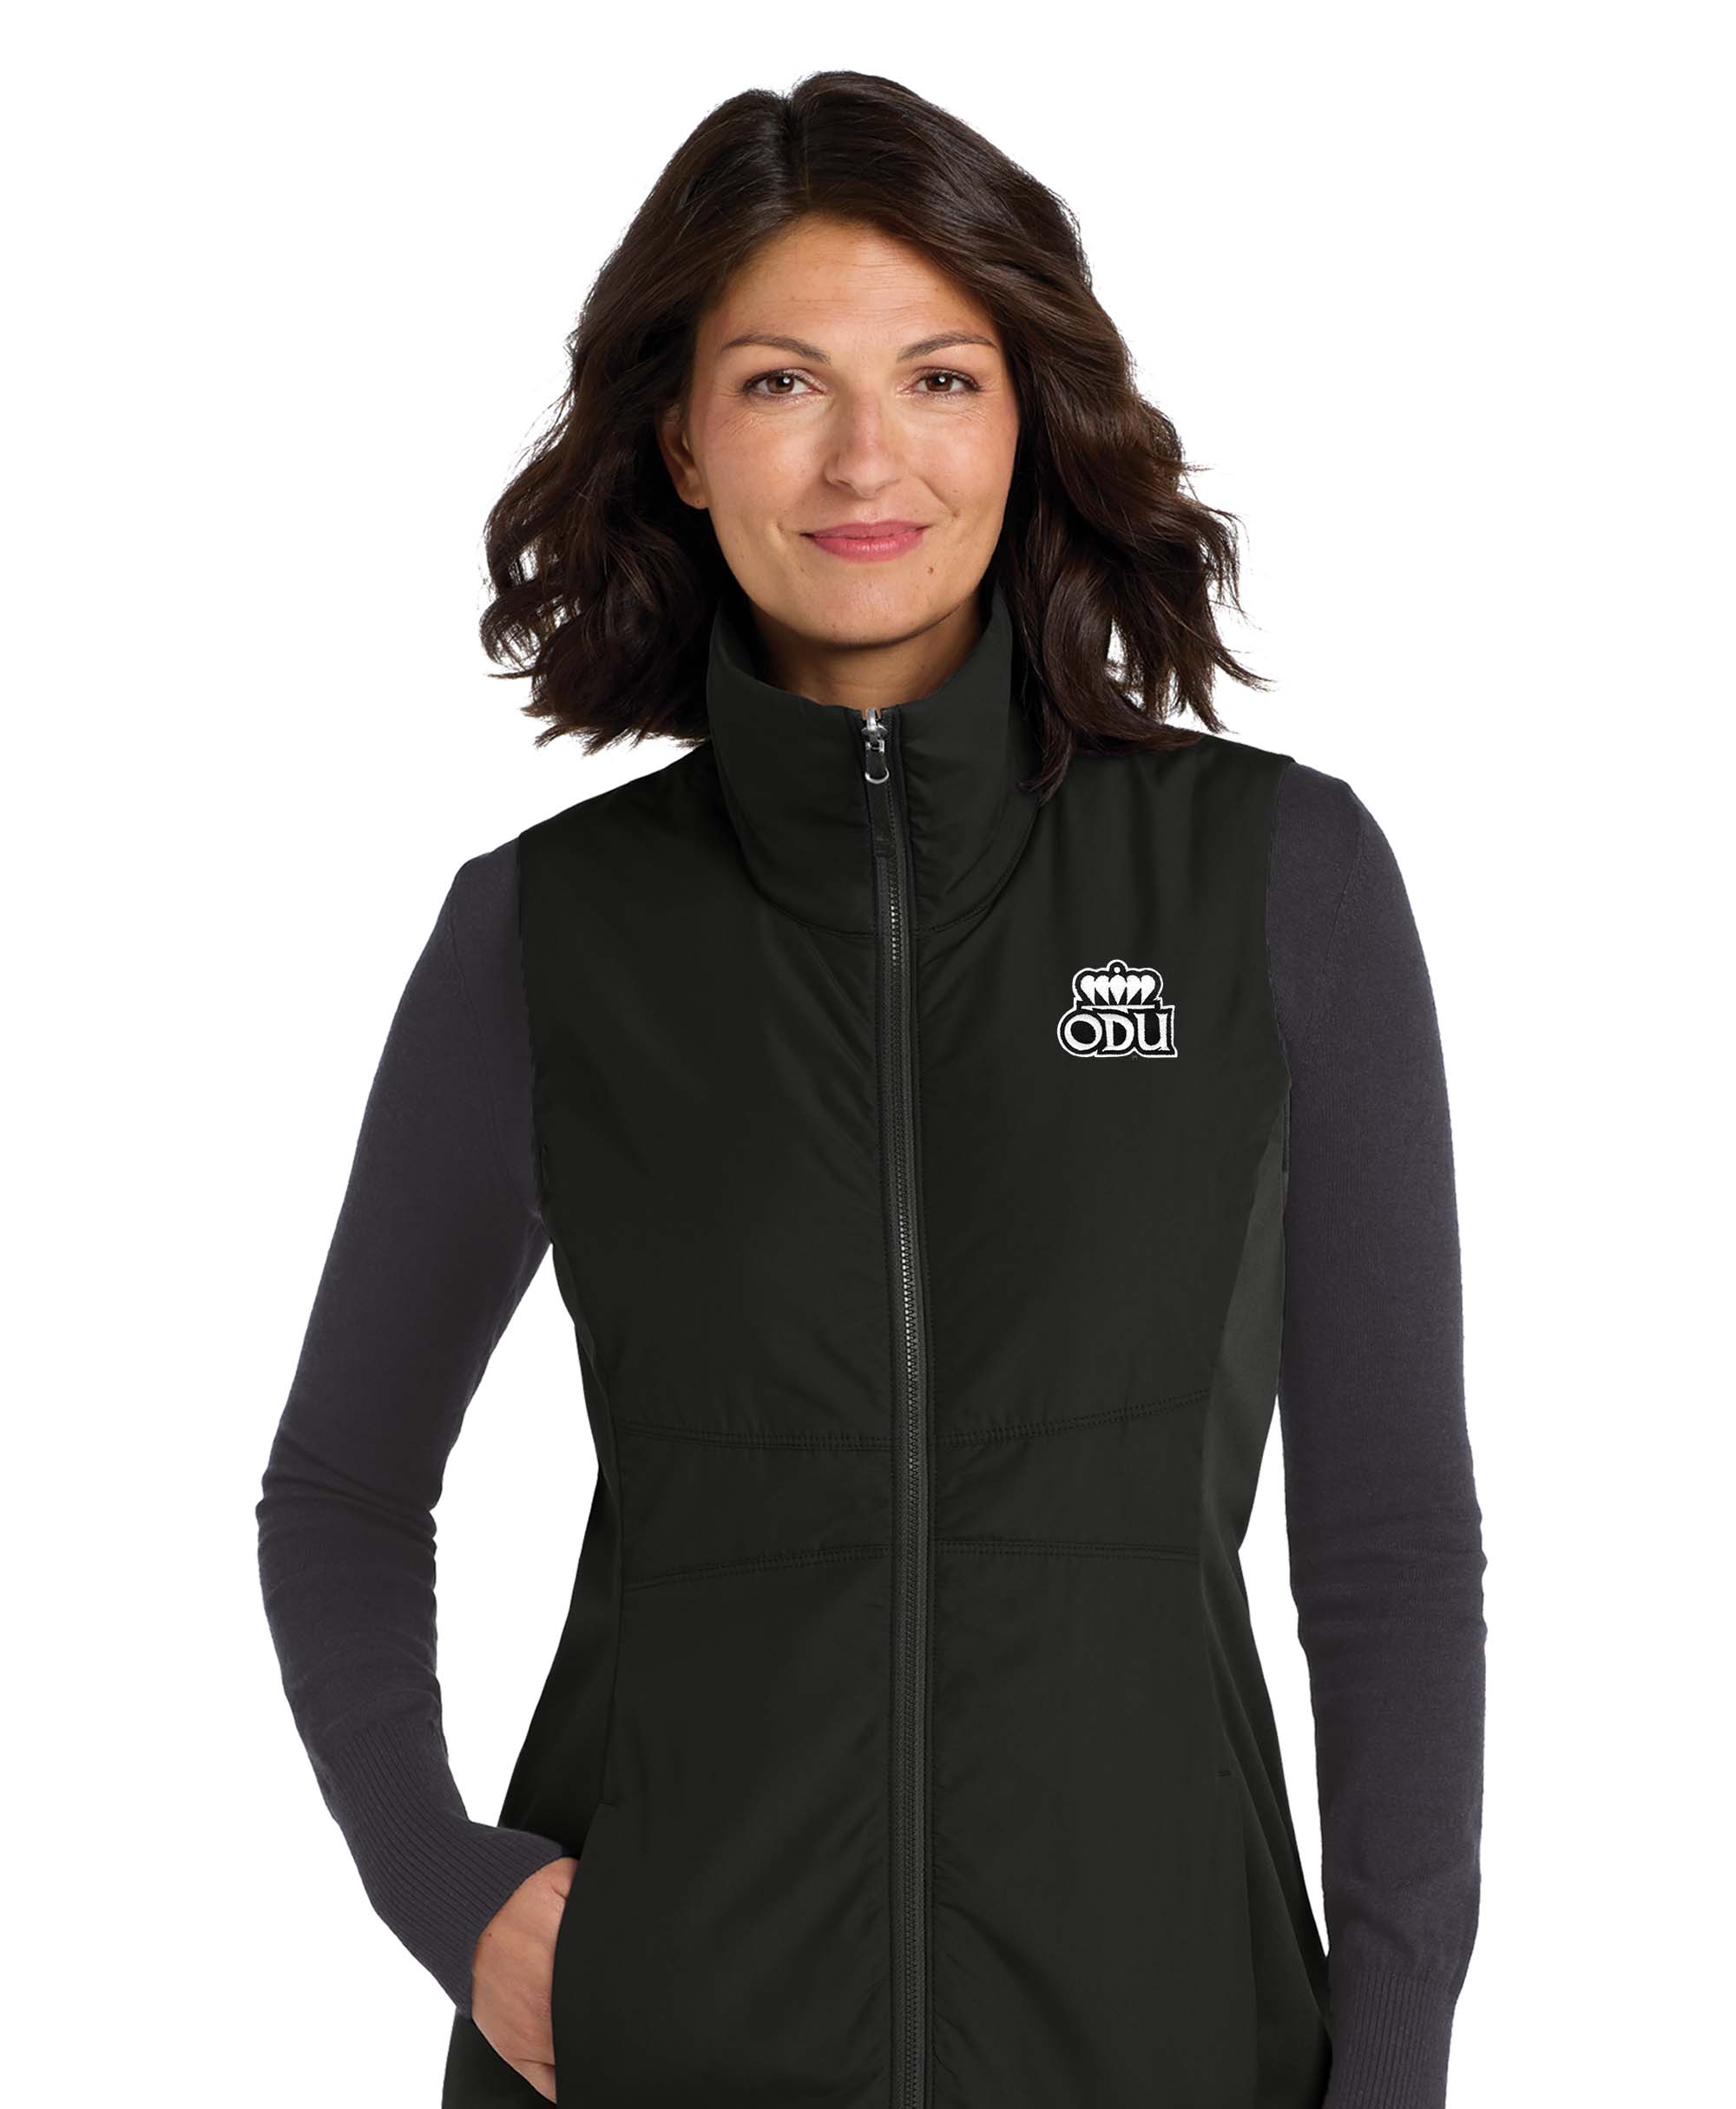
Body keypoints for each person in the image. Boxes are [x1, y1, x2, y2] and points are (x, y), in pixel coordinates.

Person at [257, 68, 1486, 2109]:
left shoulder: (1273, 882)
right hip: (653, 2041)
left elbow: (1386, 1551)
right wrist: (446, 1892)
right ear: (680, 437)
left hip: (1165, 2038)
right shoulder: (550, 933)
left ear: (1024, 416)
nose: (862, 458)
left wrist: (1399, 2069)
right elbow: (341, 1492)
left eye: (937, 377)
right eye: (778, 383)